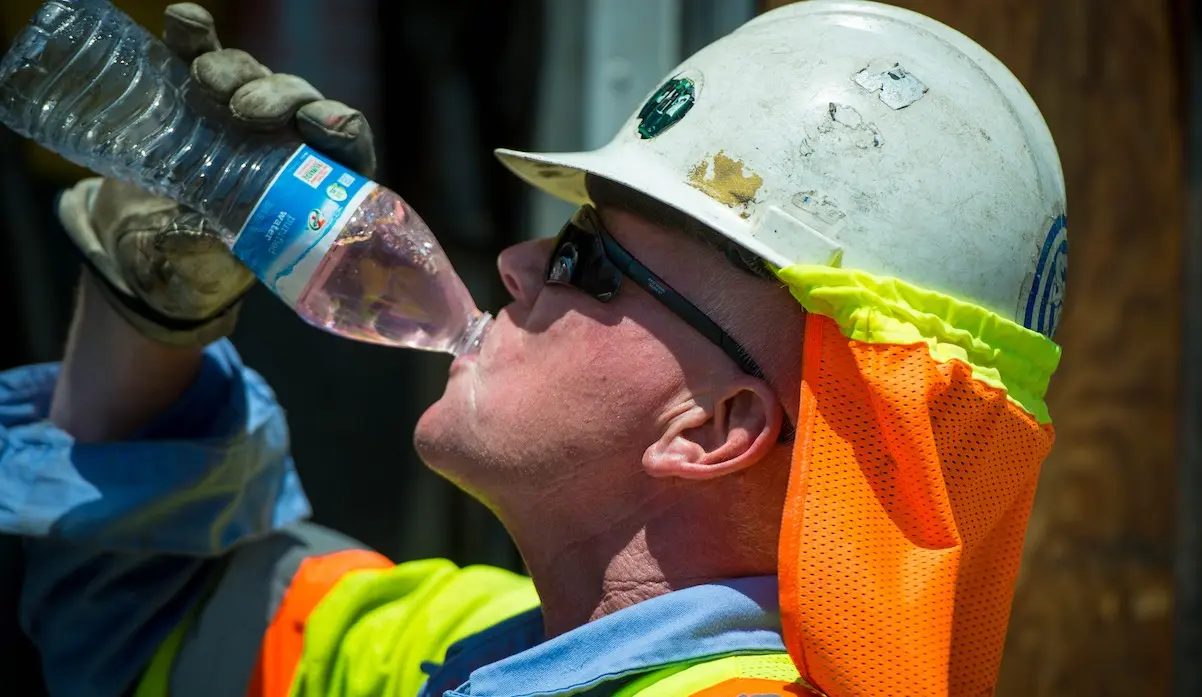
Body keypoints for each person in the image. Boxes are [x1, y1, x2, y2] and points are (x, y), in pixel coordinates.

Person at [0, 1, 1069, 695]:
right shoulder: (488, 642)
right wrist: (152, 310)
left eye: (585, 259)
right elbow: (145, 628)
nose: (512, 263)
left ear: (715, 425)